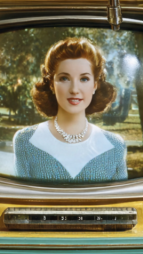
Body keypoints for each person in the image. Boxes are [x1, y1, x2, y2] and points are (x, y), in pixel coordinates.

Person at [13, 37, 127, 183]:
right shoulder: (26, 141)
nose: (74, 89)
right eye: (64, 78)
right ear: (52, 84)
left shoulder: (115, 146)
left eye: (84, 79)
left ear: (95, 85)